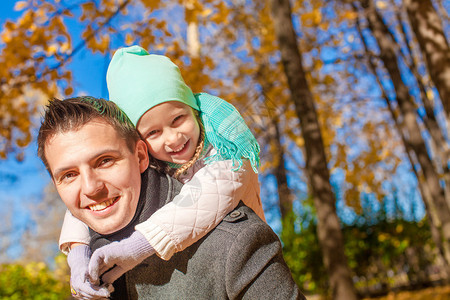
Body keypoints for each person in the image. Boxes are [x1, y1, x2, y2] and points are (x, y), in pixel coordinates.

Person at [38, 96, 305, 299]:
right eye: (69, 175)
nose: (90, 188)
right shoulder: (84, 264)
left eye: (105, 161)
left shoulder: (235, 243)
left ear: (141, 156)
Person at [59, 46, 268, 296]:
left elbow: (205, 201)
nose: (173, 138)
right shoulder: (149, 159)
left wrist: (135, 247)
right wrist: (79, 254)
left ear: (193, 109)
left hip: (238, 259)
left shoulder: (226, 151)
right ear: (139, 146)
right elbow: (91, 197)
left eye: (178, 119)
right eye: (153, 133)